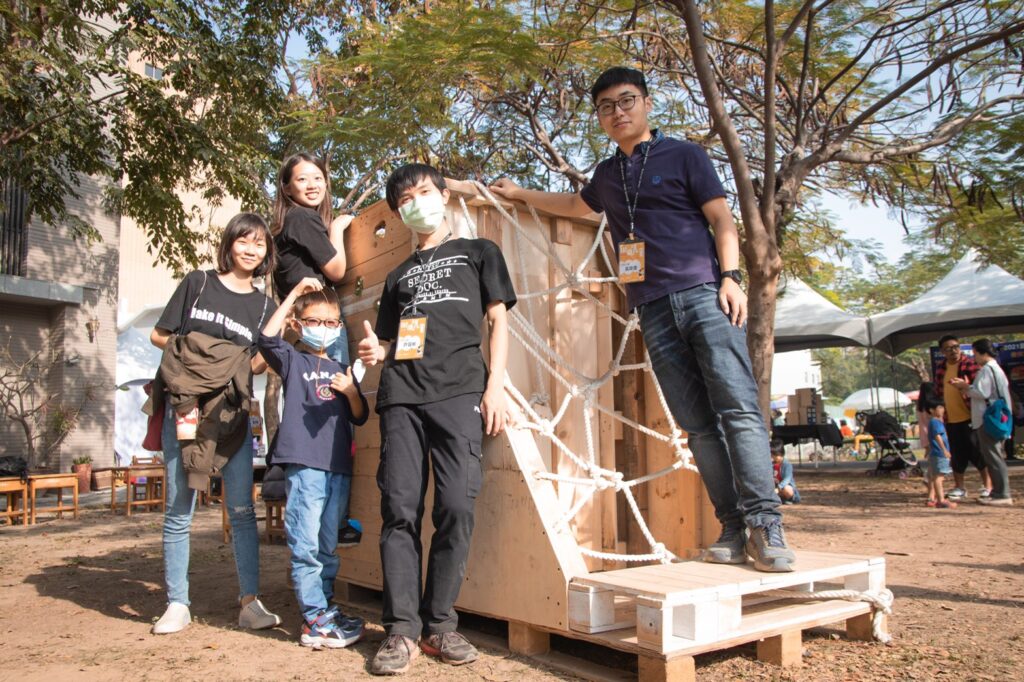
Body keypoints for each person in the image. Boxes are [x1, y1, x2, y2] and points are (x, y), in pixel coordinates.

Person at [490, 66, 795, 573]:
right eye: (606, 106)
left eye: (626, 100)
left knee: (738, 411)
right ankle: (733, 528)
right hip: (651, 309)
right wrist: (519, 194)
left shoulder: (685, 155)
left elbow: (722, 218)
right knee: (697, 426)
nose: (618, 112)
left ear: (647, 104)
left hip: (704, 296)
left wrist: (732, 276)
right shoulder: (609, 176)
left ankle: (768, 526)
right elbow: (575, 204)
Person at [358, 163, 517, 675]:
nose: (415, 203)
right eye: (404, 199)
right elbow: (387, 340)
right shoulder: (397, 275)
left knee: (456, 507)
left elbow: (498, 321)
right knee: (399, 510)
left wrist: (496, 386)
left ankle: (440, 625)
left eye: (423, 192)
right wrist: (373, 351)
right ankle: (401, 632)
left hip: (461, 393)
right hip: (401, 398)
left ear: (443, 195)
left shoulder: (478, 253)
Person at [147, 213, 282, 634]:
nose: (250, 249)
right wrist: (208, 358)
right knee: (178, 509)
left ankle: (249, 602)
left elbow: (256, 364)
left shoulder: (265, 305)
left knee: (242, 510)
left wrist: (279, 343)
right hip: (185, 409)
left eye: (259, 244)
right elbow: (159, 335)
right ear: (230, 243)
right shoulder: (198, 283)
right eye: (244, 240)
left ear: (266, 253)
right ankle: (176, 603)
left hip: (233, 415)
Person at [258, 278, 369, 648]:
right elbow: (265, 340)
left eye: (330, 323)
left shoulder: (343, 366)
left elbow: (359, 415)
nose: (323, 329)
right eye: (315, 321)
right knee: (304, 544)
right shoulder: (293, 360)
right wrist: (292, 296)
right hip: (304, 464)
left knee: (327, 544)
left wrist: (351, 390)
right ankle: (313, 619)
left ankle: (325, 608)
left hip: (337, 466)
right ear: (298, 323)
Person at [271, 153, 362, 542]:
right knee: (337, 411)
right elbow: (338, 271)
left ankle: (329, 518)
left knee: (317, 411)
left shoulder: (289, 225)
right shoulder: (300, 218)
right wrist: (339, 229)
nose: (312, 184)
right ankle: (336, 520)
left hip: (301, 329)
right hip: (317, 322)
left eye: (318, 178)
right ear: (287, 188)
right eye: (302, 179)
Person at [951, 338, 1014, 506]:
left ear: (981, 352)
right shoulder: (996, 369)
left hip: (988, 418)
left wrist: (964, 386)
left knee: (993, 456)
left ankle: (1002, 493)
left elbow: (981, 393)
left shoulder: (987, 370)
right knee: (994, 455)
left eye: (975, 353)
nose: (974, 357)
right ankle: (997, 491)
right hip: (997, 417)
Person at [934, 334, 992, 499]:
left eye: (956, 347)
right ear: (942, 352)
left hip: (970, 417)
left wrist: (965, 387)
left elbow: (981, 390)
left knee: (977, 452)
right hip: (950, 419)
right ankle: (960, 487)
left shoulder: (971, 363)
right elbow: (938, 392)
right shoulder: (941, 367)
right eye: (948, 349)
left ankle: (987, 486)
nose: (953, 351)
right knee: (957, 454)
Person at [924, 399, 956, 509]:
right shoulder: (935, 422)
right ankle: (941, 500)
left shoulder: (936, 422)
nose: (942, 410)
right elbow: (937, 436)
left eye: (943, 407)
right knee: (939, 477)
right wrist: (944, 450)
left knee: (937, 476)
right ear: (932, 410)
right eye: (939, 408)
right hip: (939, 453)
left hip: (937, 452)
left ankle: (937, 498)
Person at [770, 439, 799, 504]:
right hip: (775, 488)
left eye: (775, 455)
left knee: (786, 489)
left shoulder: (787, 465)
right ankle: (778, 499)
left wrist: (779, 488)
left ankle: (790, 499)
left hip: (782, 487)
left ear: (780, 453)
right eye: (772, 455)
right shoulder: (771, 464)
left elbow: (787, 479)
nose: (773, 457)